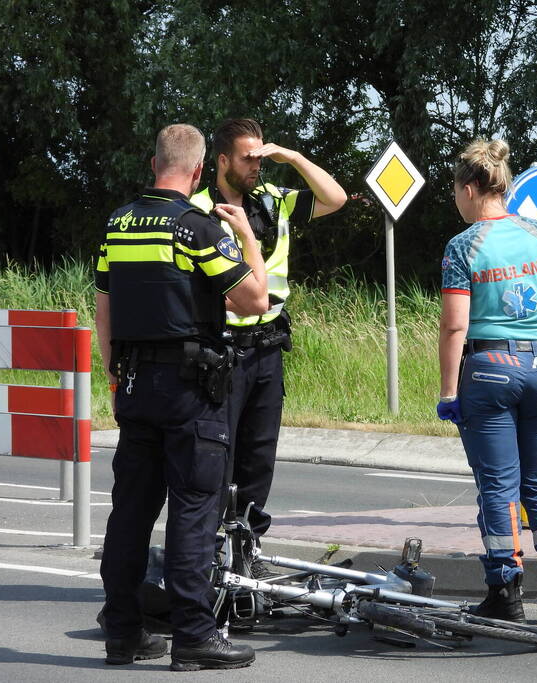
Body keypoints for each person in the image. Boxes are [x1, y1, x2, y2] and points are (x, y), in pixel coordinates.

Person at [95, 123, 269, 671]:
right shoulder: (196, 227)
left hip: (134, 384)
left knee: (130, 512)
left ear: (154, 165)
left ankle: (122, 634)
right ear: (197, 173)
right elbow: (253, 301)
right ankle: (194, 635)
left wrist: (113, 373)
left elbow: (104, 307)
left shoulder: (116, 225)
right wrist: (250, 239)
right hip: (191, 390)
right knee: (195, 509)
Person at [437, 138, 537, 627]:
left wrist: (447, 391)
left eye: (455, 192)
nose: (456, 201)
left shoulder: (464, 246)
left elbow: (454, 326)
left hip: (488, 369)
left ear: (469, 188)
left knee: (499, 487)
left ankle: (506, 592)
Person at [190, 118, 346, 574]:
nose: (257, 166)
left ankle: (247, 552)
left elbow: (334, 198)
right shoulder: (198, 209)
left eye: (261, 157)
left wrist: (292, 158)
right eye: (247, 158)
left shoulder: (272, 200)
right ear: (222, 161)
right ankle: (209, 556)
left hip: (267, 346)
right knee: (219, 456)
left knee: (259, 457)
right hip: (221, 350)